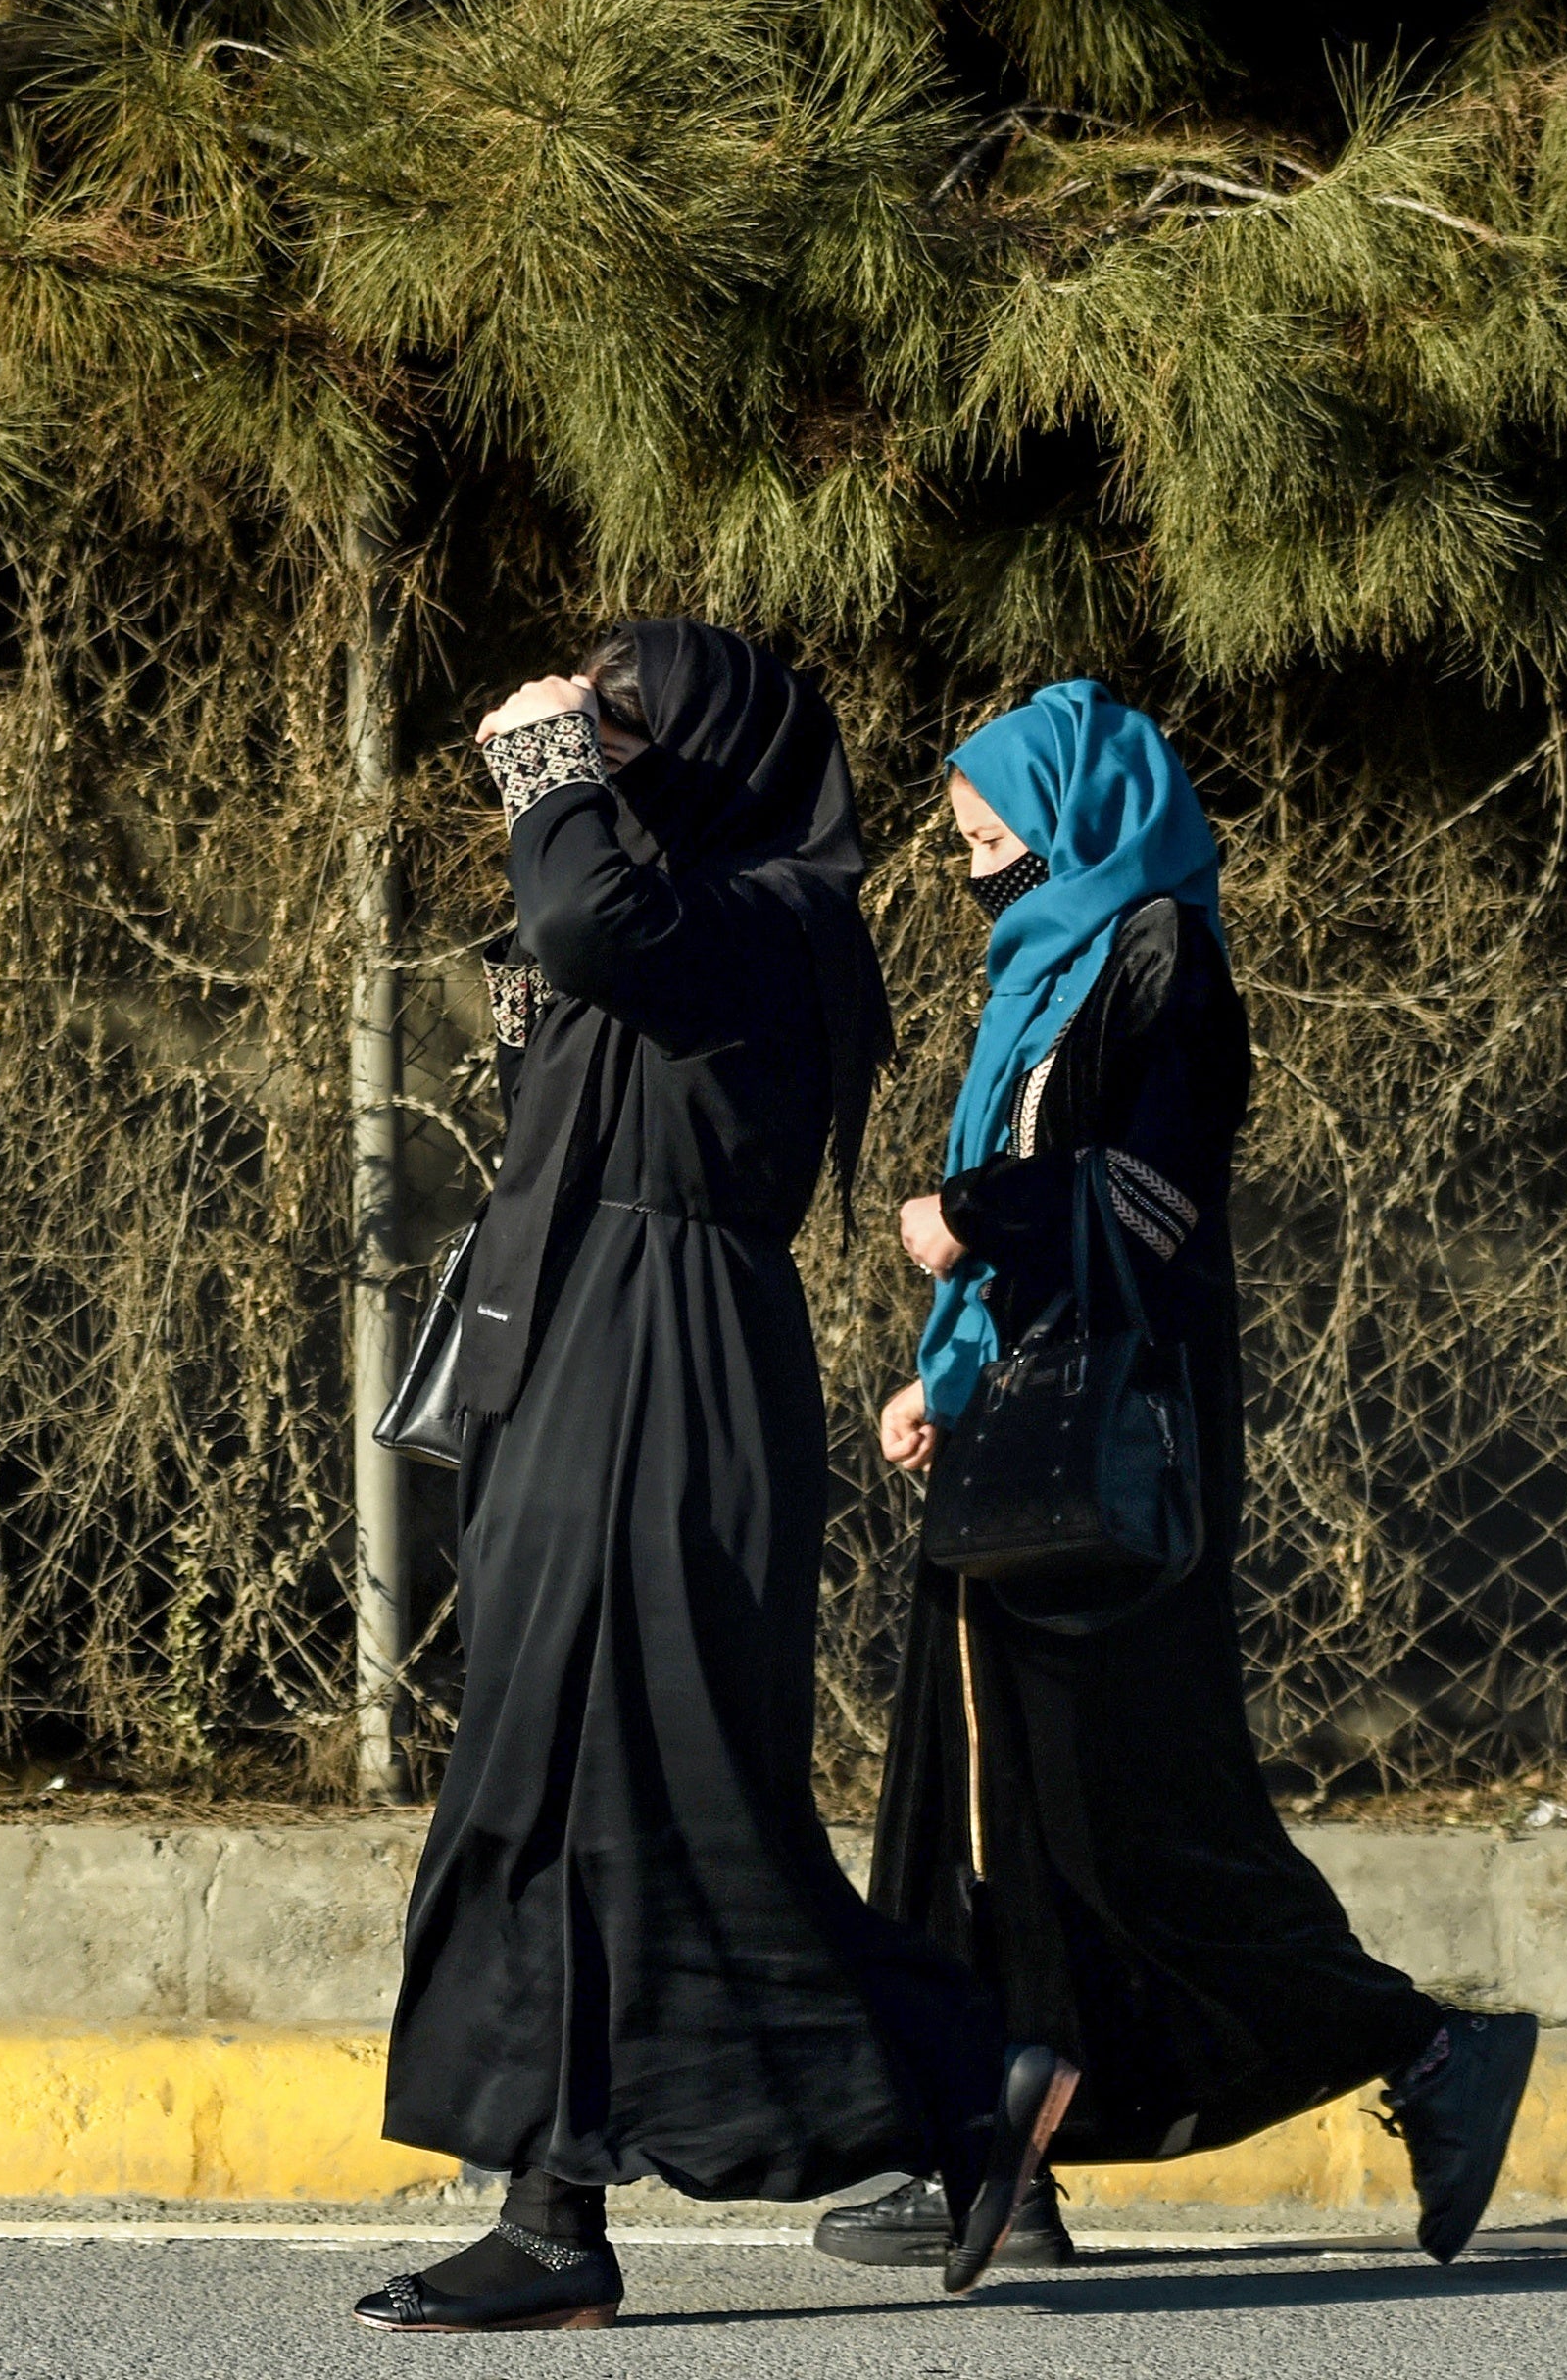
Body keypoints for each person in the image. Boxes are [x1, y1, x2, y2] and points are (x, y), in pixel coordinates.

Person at [359, 621, 1050, 2335]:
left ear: (719, 752)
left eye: (622, 722)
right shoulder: (692, 922)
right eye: (587, 722)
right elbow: (574, 959)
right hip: (593, 1355)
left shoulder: (772, 921)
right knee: (604, 1784)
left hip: (663, 1372)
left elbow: (586, 912)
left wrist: (542, 776)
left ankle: (568, 2213)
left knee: (624, 1780)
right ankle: (951, 2082)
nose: (590, 747)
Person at [821, 678, 1542, 2275]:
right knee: (973, 1794)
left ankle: (1424, 2049)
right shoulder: (1044, 973)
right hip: (1028, 1434)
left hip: (1122, 1455)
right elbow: (1040, 1209)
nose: (975, 869)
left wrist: (974, 1214)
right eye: (962, 842)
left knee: (1122, 1813)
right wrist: (944, 1372)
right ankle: (991, 2153)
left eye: (993, 835)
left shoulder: (1163, 957)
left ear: (1080, 813)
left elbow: (1148, 1196)